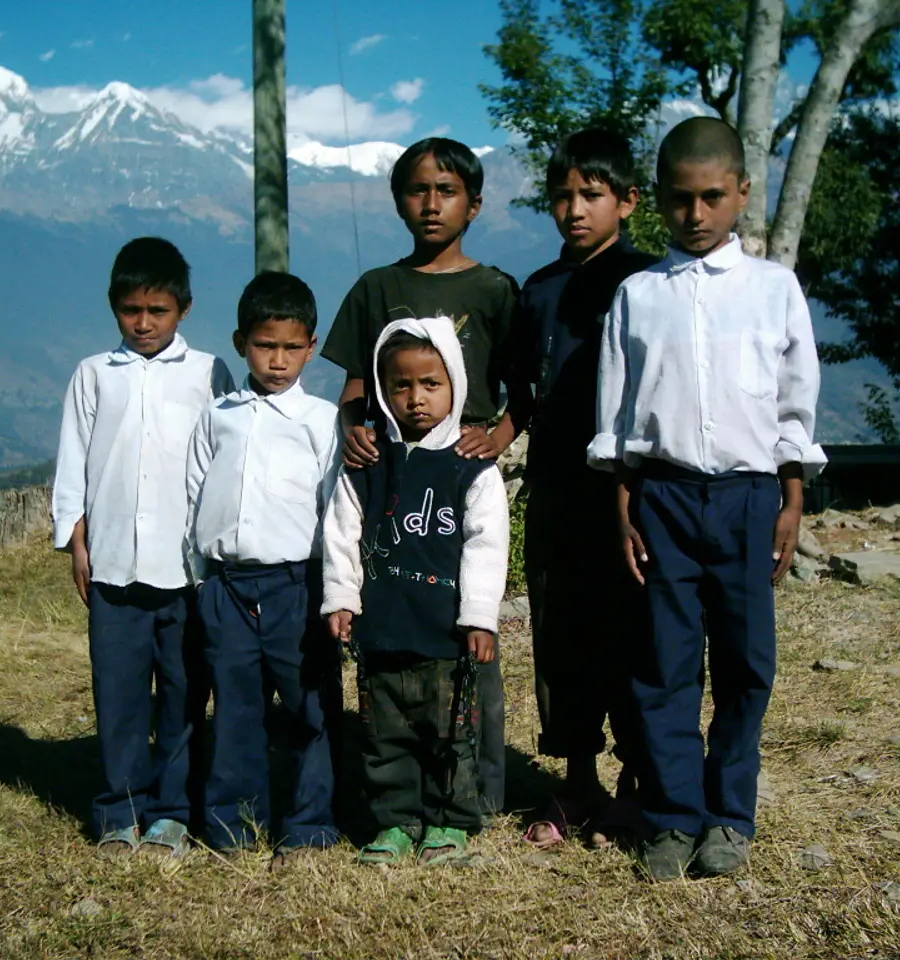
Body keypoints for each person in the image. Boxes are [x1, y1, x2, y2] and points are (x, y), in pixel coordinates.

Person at [588, 117, 826, 881]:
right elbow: (617, 412)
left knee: (745, 663)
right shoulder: (638, 296)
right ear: (658, 197)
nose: (696, 214)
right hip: (661, 496)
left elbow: (793, 405)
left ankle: (729, 815)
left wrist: (791, 499)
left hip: (749, 497)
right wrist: (624, 504)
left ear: (743, 193)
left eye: (713, 197)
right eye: (681, 199)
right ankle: (671, 817)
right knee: (664, 663)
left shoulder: (773, 290)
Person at [320, 137, 516, 814]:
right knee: (399, 641)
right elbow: (355, 384)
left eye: (447, 191)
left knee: (468, 647)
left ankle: (475, 798)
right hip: (395, 469)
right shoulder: (377, 288)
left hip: (463, 472)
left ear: (473, 205)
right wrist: (353, 428)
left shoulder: (494, 289)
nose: (432, 204)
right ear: (398, 201)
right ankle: (397, 797)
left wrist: (495, 439)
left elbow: (521, 388)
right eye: (418, 190)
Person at [52, 236, 234, 858]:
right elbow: (73, 460)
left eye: (158, 311)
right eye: (132, 310)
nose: (144, 323)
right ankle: (118, 810)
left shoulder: (208, 372)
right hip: (113, 564)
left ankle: (173, 812)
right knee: (119, 692)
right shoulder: (93, 374)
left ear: (184, 308)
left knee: (184, 692)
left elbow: (224, 459)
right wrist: (76, 541)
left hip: (184, 568)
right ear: (114, 307)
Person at [507, 129, 656, 848]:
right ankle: (576, 779)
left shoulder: (649, 283)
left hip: (633, 494)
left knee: (633, 632)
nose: (574, 209)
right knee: (561, 635)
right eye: (562, 196)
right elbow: (519, 392)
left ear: (627, 201)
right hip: (557, 490)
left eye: (591, 195)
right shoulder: (538, 289)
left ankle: (635, 783)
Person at [320, 317, 509, 865]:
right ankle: (395, 822)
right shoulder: (366, 461)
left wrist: (480, 617)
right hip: (382, 631)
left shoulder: (471, 466)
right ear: (382, 390)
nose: (416, 398)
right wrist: (341, 598)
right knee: (385, 735)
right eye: (400, 385)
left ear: (455, 385)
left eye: (431, 383)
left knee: (451, 733)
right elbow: (341, 532)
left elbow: (486, 544)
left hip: (446, 634)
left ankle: (449, 822)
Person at [185, 271, 341, 865]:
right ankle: (234, 827)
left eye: (291, 347)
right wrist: (201, 581)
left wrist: (333, 590)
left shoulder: (321, 421)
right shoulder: (217, 416)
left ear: (311, 346)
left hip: (296, 587)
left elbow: (336, 510)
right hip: (226, 586)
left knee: (309, 709)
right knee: (235, 711)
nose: (278, 360)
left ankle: (308, 828)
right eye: (264, 345)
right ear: (239, 342)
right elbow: (194, 494)